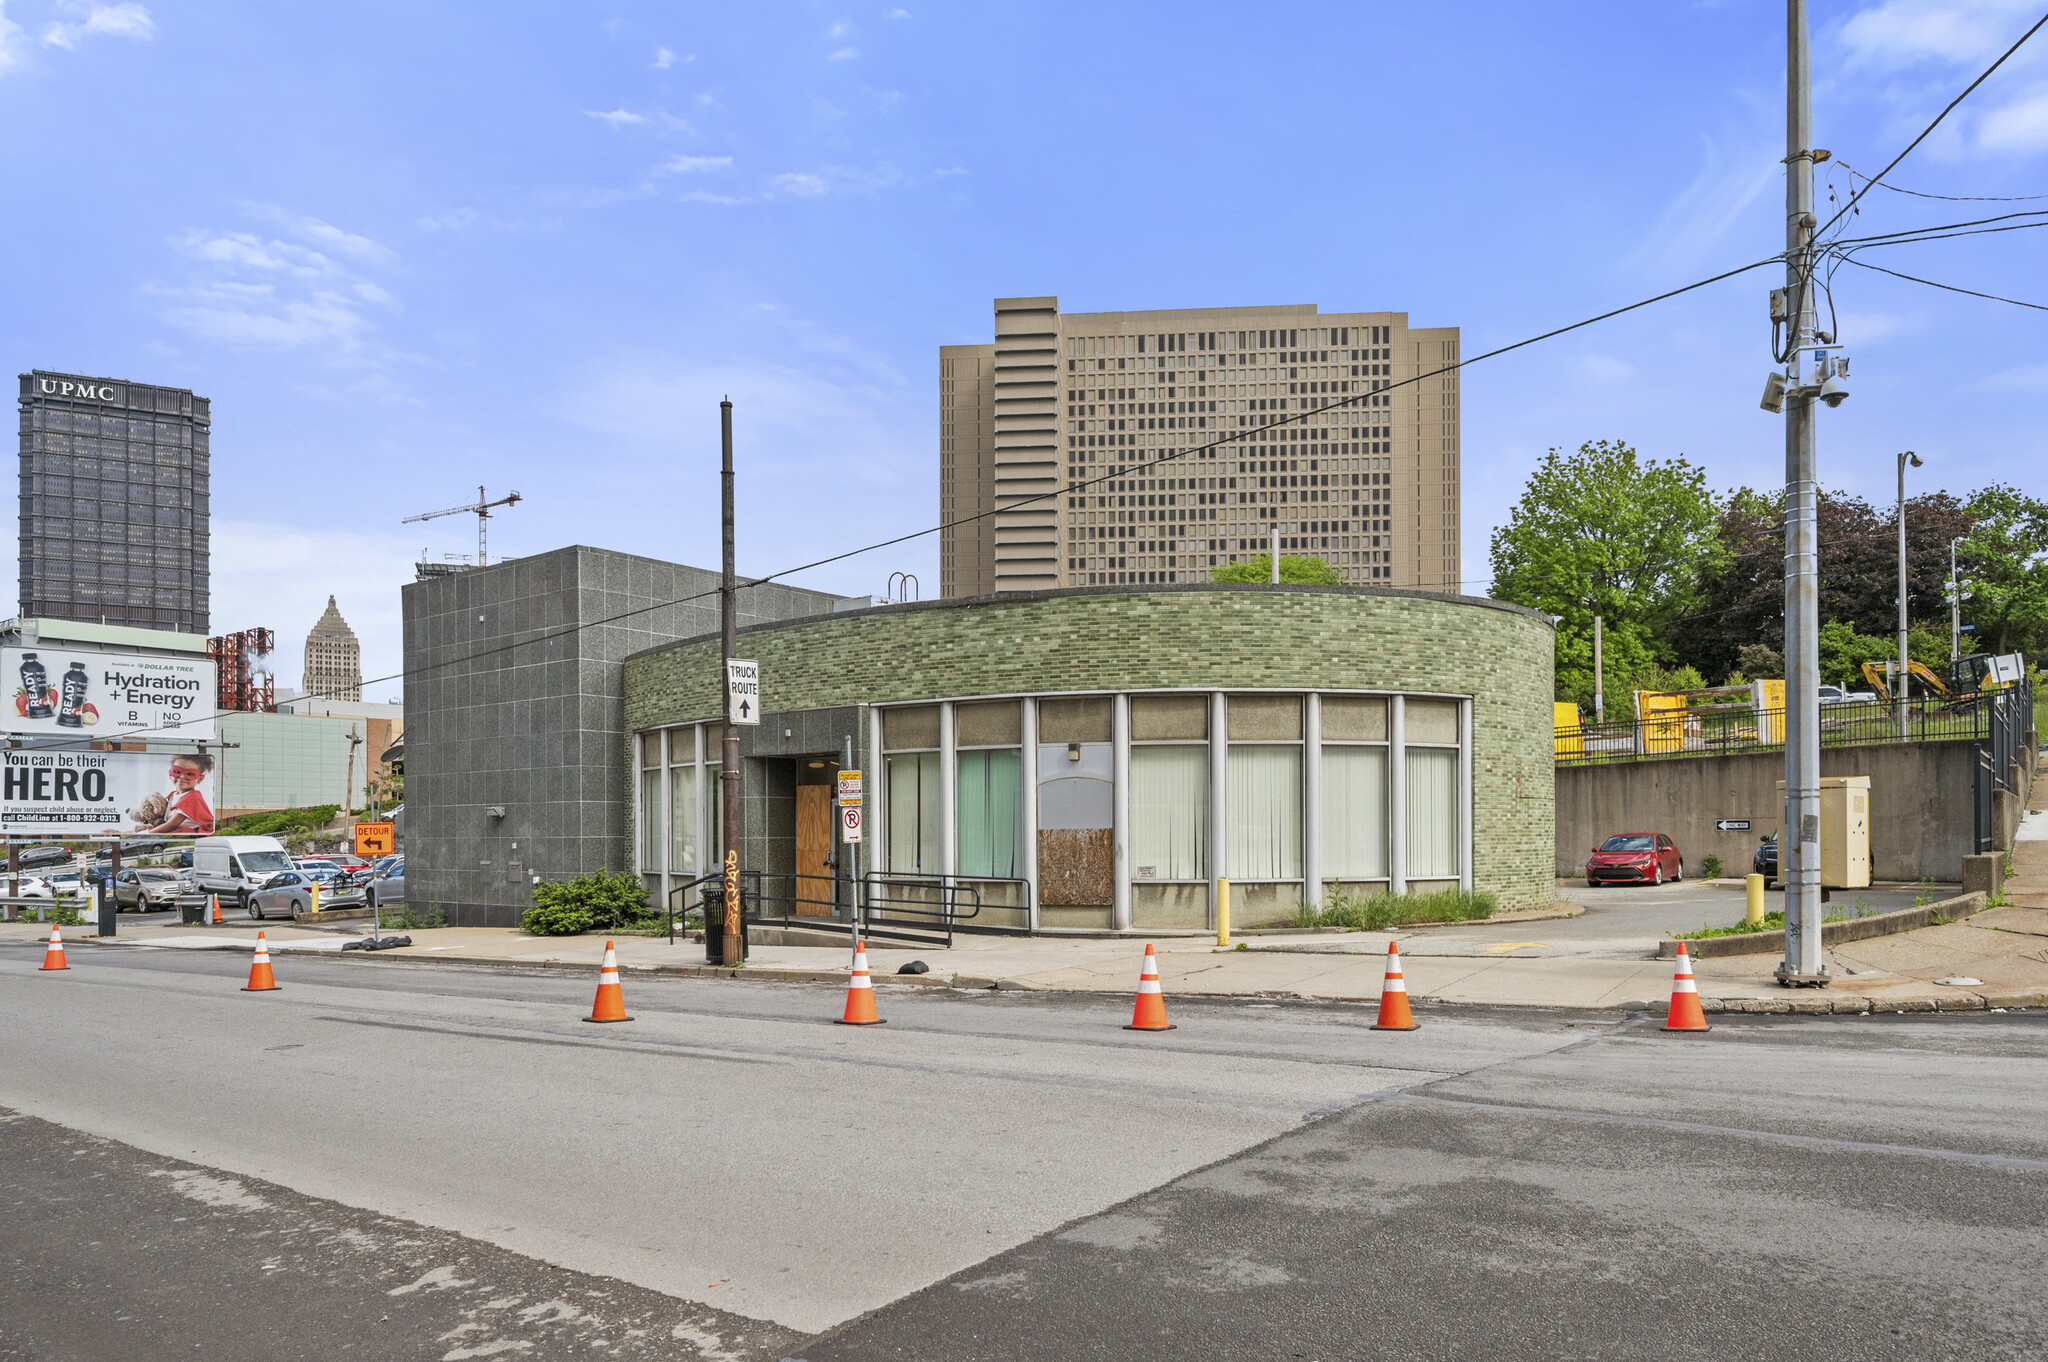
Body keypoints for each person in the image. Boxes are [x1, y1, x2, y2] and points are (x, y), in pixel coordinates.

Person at [136, 753, 215, 836]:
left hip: (187, 830)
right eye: (177, 771)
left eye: (190, 774)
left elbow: (171, 825)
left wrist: (147, 833)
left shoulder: (191, 798)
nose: (182, 776)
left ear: (200, 779)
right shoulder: (174, 795)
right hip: (175, 827)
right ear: (170, 774)